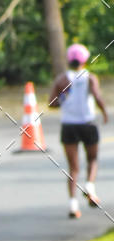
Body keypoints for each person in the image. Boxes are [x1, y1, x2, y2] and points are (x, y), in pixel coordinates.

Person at [48, 43, 108, 218]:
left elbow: (51, 103)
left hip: (69, 125)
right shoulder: (90, 78)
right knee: (92, 159)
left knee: (73, 168)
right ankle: (90, 187)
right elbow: (97, 96)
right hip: (87, 123)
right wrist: (104, 112)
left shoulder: (62, 80)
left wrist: (64, 99)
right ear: (85, 60)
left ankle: (73, 205)